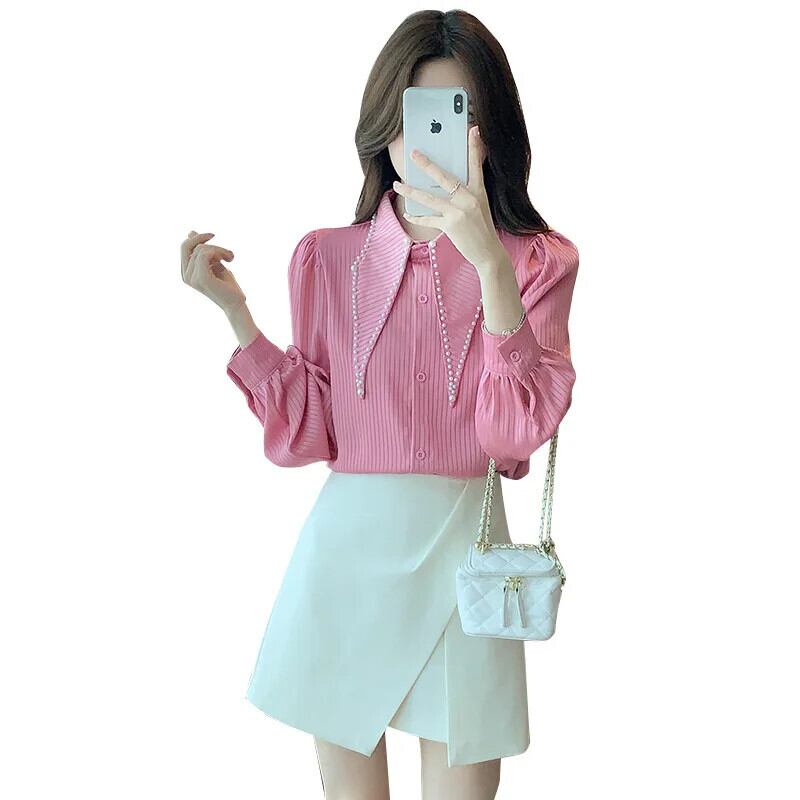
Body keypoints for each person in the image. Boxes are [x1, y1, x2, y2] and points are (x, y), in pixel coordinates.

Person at [180, 10, 579, 800]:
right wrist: (237, 316)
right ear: (382, 130)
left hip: (467, 555)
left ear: (491, 131)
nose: (430, 139)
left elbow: (511, 438)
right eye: (415, 117)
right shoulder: (327, 258)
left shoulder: (537, 261)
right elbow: (310, 435)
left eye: (457, 115)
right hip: (346, 556)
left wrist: (490, 268)